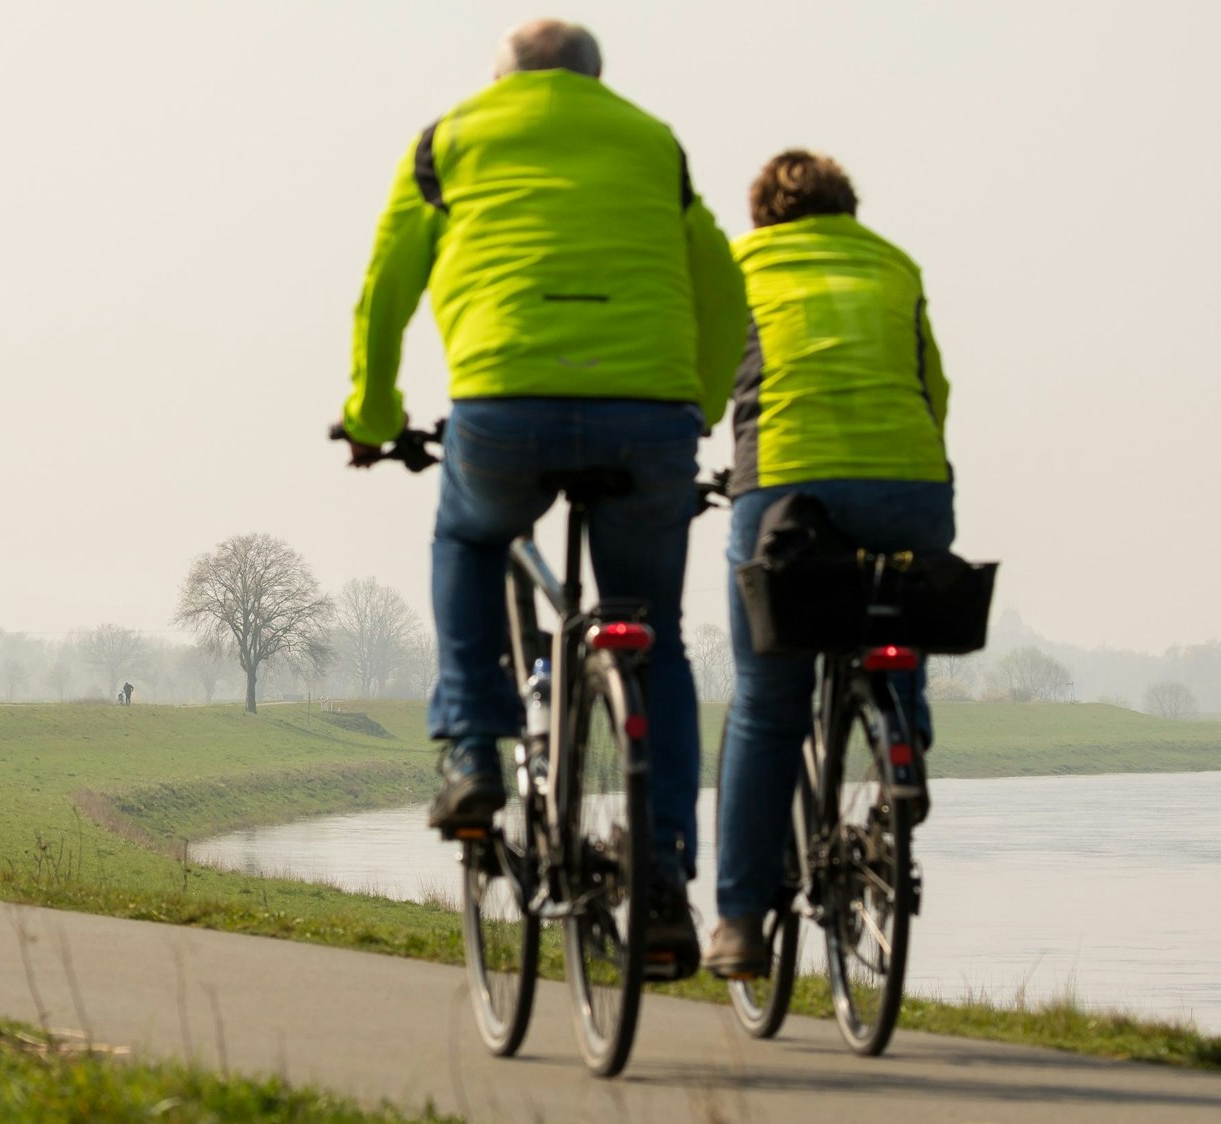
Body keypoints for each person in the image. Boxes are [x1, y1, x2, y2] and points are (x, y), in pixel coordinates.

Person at [339, 19, 746, 973]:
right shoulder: (653, 141)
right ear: (594, 79)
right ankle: (663, 874)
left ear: (503, 79)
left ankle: (473, 750)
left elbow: (387, 284)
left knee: (471, 538)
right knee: (654, 637)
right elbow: (723, 287)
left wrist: (373, 415)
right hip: (649, 414)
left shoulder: (448, 140)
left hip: (505, 401)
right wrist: (696, 403)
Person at [704, 150, 955, 977]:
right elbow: (934, 387)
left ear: (762, 215)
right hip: (910, 484)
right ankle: (900, 744)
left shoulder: (743, 264)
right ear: (847, 208)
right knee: (894, 618)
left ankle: (741, 923)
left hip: (785, 485)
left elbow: (708, 375)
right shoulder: (896, 265)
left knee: (767, 700)